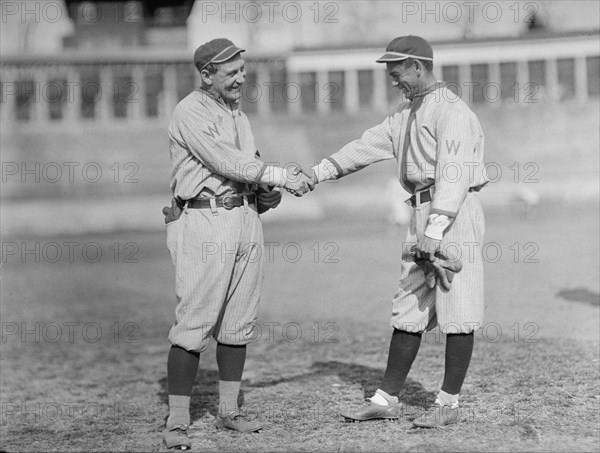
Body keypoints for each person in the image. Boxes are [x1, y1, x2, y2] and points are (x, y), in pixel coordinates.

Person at [303, 35, 489, 428]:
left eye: (397, 72)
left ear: (418, 67)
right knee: (408, 306)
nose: (392, 80)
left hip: (452, 212)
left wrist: (436, 229)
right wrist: (316, 173)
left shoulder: (451, 110)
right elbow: (365, 146)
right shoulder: (406, 113)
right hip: (421, 211)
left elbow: (454, 174)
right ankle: (385, 399)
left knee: (458, 308)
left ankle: (448, 405)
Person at [161, 38, 313, 450]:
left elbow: (248, 166)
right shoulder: (189, 111)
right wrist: (280, 174)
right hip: (205, 219)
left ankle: (229, 412)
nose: (240, 79)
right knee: (195, 321)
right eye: (231, 73)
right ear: (206, 74)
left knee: (239, 320)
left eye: (242, 71)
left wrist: (268, 190)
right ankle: (177, 420)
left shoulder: (238, 115)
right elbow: (225, 162)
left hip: (244, 218)